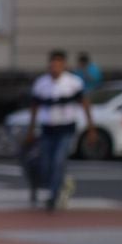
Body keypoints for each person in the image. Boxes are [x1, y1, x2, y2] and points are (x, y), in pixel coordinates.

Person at [24, 50, 97, 210]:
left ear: (63, 65)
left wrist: (91, 128)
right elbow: (34, 107)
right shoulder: (41, 83)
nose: (54, 67)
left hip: (66, 129)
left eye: (58, 64)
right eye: (52, 64)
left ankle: (53, 196)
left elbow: (85, 104)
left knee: (58, 161)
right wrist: (30, 130)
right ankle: (62, 184)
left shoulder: (73, 83)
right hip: (47, 129)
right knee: (45, 163)